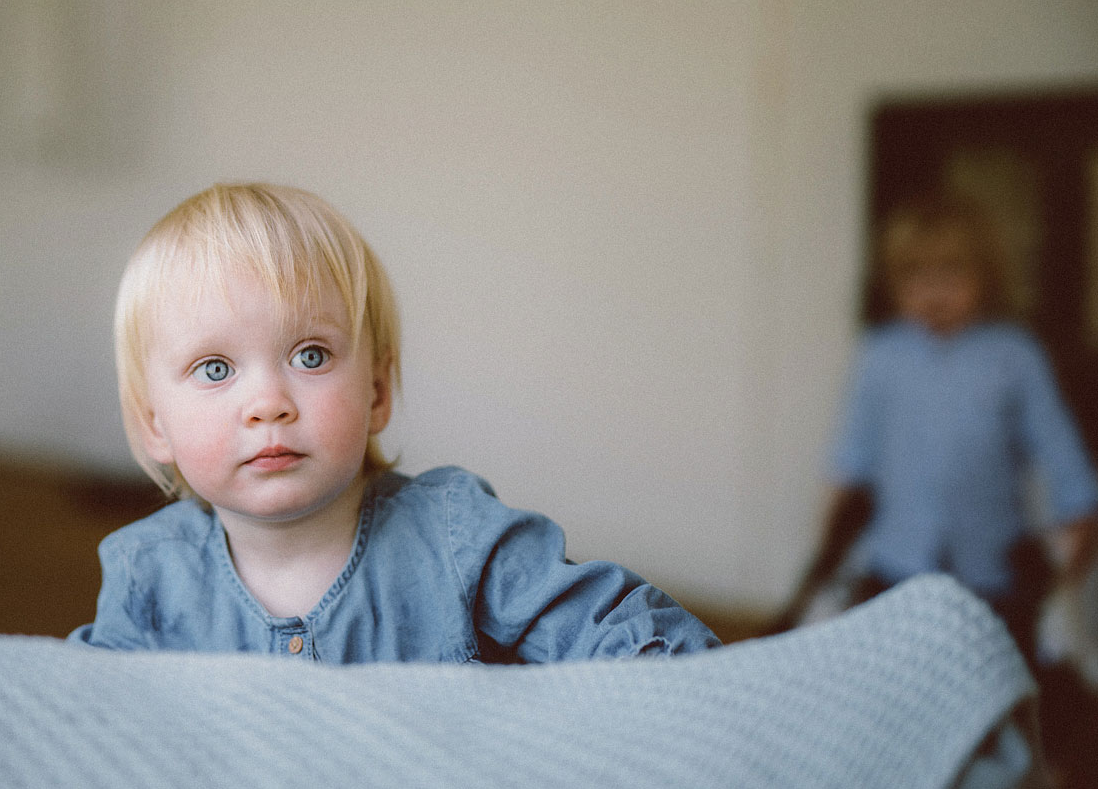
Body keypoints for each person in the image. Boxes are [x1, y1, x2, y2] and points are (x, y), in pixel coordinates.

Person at [68, 182, 718, 662]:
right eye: (215, 368)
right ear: (154, 425)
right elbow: (83, 718)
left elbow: (625, 635)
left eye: (310, 355)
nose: (268, 403)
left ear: (377, 391)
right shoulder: (148, 575)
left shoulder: (457, 537)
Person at [774, 191, 1098, 659]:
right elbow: (850, 458)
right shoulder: (881, 355)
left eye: (951, 273)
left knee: (991, 675)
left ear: (986, 274)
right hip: (896, 565)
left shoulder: (1015, 355)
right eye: (914, 276)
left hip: (993, 573)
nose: (932, 291)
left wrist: (1076, 528)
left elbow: (1062, 454)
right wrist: (825, 550)